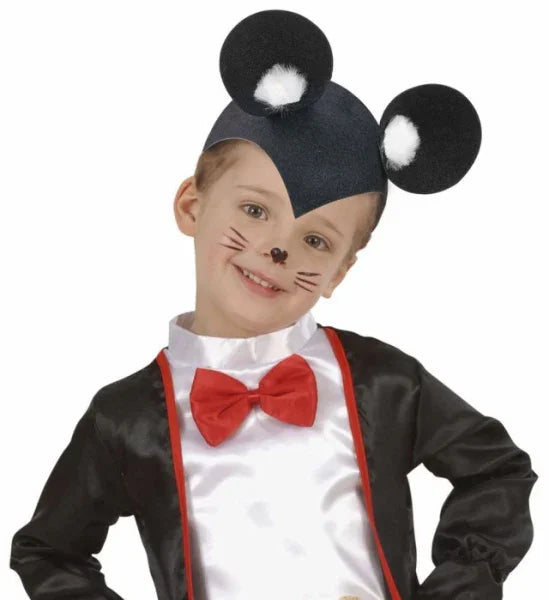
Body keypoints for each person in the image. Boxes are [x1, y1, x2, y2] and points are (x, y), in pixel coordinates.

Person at [10, 9, 537, 600]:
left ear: (340, 272)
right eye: (255, 210)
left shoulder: (385, 381)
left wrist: (461, 586)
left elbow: (496, 470)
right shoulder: (125, 417)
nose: (278, 250)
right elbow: (49, 550)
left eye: (316, 241)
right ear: (191, 205)